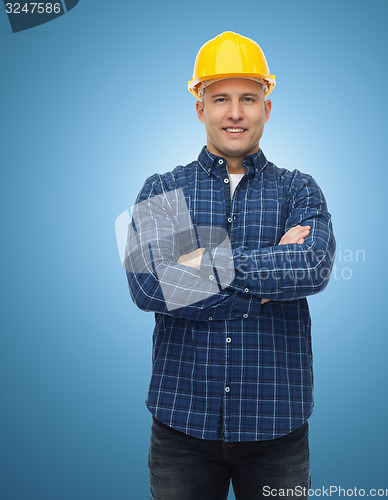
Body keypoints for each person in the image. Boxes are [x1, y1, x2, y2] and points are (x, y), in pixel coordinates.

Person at [124, 31, 336, 500]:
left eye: (248, 98)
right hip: (181, 429)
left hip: (276, 428)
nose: (235, 112)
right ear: (200, 107)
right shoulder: (164, 189)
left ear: (267, 107)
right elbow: (149, 286)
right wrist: (265, 279)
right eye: (220, 98)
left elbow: (313, 267)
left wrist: (198, 267)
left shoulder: (298, 189)